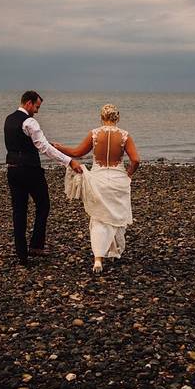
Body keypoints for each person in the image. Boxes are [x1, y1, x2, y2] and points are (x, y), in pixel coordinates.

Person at [54, 103, 140, 273]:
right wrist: (129, 173)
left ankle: (98, 259)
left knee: (99, 217)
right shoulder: (125, 136)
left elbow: (77, 152)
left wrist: (59, 147)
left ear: (101, 118)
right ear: (117, 118)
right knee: (115, 215)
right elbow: (136, 160)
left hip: (98, 179)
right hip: (118, 180)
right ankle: (114, 252)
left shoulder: (94, 134)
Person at [4, 91, 83, 267]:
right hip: (30, 171)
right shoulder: (30, 121)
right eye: (37, 107)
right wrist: (69, 161)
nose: (37, 111)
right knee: (43, 205)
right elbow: (43, 147)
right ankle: (36, 246)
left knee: (19, 211)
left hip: (12, 170)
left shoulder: (8, 119)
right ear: (29, 103)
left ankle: (22, 254)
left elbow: (16, 144)